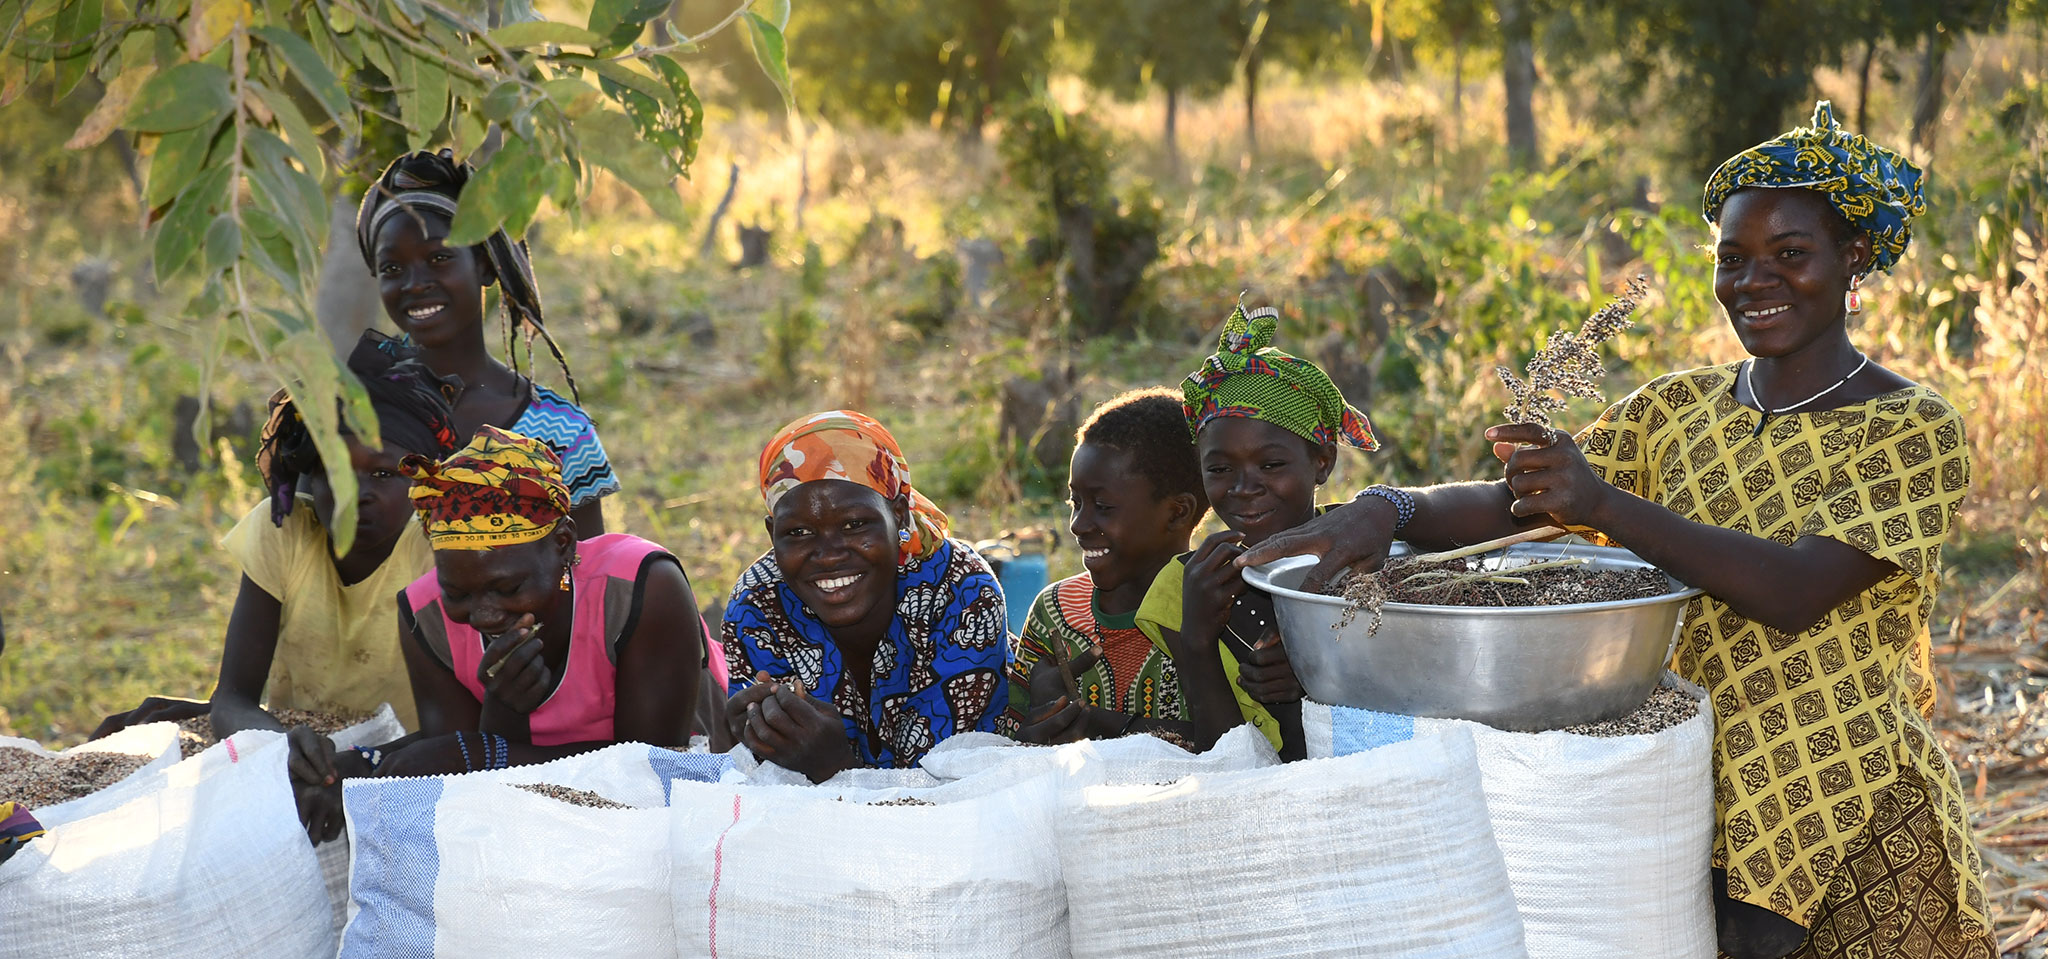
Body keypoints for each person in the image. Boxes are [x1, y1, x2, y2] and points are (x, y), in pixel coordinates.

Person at [1241, 102, 1988, 958]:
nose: (1756, 282)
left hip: (1841, 810)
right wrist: (1391, 508)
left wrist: (1605, 507)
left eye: (1791, 255)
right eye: (1733, 259)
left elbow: (1795, 590)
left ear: (1854, 256)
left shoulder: (1906, 425)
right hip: (1683, 782)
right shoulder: (1679, 407)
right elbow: (1520, 500)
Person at [286, 426, 709, 843]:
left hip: (686, 804)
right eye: (458, 592)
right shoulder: (426, 615)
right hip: (538, 815)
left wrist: (479, 754)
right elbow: (460, 775)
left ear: (563, 543)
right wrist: (496, 720)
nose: (485, 615)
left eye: (508, 589)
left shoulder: (638, 587)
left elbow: (652, 773)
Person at [90, 333, 463, 743]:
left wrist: (349, 763)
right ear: (308, 474)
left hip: (406, 763)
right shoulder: (283, 533)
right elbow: (233, 697)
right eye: (334, 471)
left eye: (382, 474)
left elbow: (452, 727)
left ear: (423, 481)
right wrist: (288, 748)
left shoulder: (438, 551)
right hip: (295, 751)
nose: (354, 495)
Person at [1135, 301, 1380, 761]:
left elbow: (1412, 702)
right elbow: (1222, 760)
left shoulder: (1361, 549)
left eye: (1271, 464)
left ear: (1322, 462)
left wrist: (1317, 679)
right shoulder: (1186, 585)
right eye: (1221, 468)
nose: (1245, 488)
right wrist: (1198, 641)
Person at [722, 411, 1011, 781]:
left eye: (855, 525)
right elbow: (768, 783)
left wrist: (833, 768)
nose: (828, 554)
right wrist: (755, 741)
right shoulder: (757, 606)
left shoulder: (960, 589)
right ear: (771, 532)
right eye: (798, 533)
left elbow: (959, 792)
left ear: (899, 515)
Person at [356, 149, 617, 537]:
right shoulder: (354, 414)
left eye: (439, 257)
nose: (413, 283)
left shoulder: (559, 432)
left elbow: (587, 578)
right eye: (392, 268)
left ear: (483, 264)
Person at [1006, 388, 1208, 746]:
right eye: (1076, 502)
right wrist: (1040, 721)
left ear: (1177, 512)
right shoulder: (1054, 613)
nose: (1078, 525)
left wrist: (1105, 725)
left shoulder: (1214, 610)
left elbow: (1238, 746)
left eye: (1103, 506)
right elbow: (1013, 740)